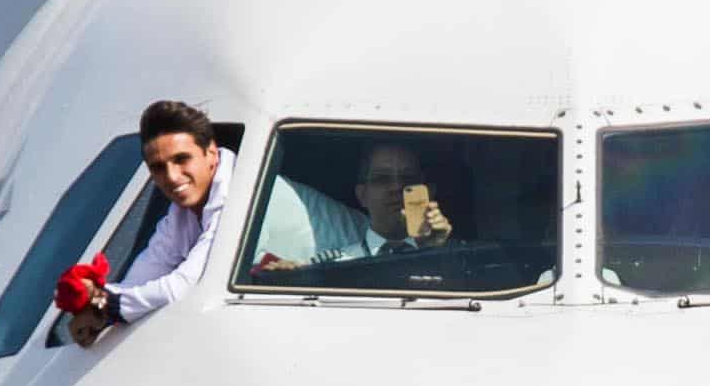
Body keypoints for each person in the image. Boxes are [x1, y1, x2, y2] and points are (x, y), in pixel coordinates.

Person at [63, 101, 225, 346]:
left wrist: (103, 304)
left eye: (182, 159)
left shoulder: (235, 195)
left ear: (211, 154)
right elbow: (142, 280)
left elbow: (184, 285)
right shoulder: (180, 214)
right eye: (159, 167)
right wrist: (94, 299)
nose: (171, 177)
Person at [249, 139, 455, 272]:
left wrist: (437, 249)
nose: (396, 187)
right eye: (382, 179)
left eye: (408, 179)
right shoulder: (332, 264)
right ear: (362, 195)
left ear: (428, 191)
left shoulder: (457, 254)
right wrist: (291, 276)